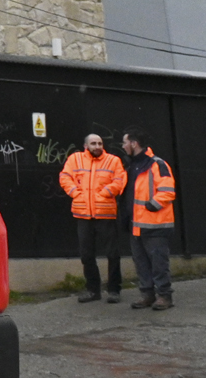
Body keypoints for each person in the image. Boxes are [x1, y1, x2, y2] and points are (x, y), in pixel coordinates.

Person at [59, 133, 127, 302]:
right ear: (85, 146)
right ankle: (93, 290)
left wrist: (105, 193)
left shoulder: (113, 161)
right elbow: (65, 177)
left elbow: (120, 180)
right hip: (83, 214)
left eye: (99, 143)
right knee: (86, 255)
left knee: (112, 254)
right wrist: (75, 193)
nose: (97, 146)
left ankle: (114, 290)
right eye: (93, 143)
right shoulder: (75, 159)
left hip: (106, 213)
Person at [123, 128, 177, 311]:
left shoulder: (156, 164)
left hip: (155, 224)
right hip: (137, 225)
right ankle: (147, 294)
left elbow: (168, 191)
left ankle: (164, 296)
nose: (123, 146)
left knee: (158, 263)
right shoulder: (134, 165)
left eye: (125, 143)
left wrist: (151, 205)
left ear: (133, 143)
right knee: (141, 263)